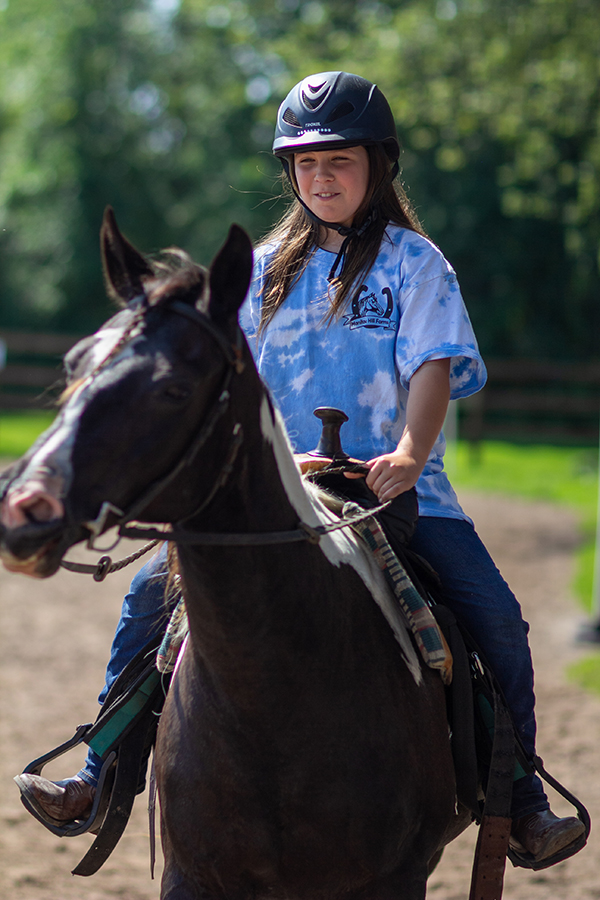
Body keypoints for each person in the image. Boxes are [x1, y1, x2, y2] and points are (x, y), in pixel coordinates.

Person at [16, 71, 585, 866]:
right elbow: (226, 386)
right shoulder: (258, 271)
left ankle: (523, 798)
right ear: (290, 173)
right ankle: (98, 770)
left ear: (376, 167)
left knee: (495, 618)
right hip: (277, 492)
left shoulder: (417, 265)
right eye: (306, 164)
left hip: (396, 492)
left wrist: (410, 454)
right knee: (149, 600)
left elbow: (433, 366)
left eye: (339, 162)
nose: (322, 178)